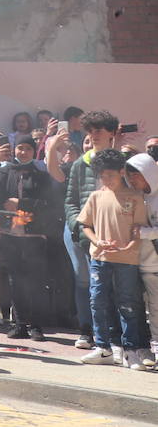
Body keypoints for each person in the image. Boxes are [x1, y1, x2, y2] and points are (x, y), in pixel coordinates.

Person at [76, 148, 147, 367]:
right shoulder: (96, 196)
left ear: (121, 171)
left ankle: (131, 349)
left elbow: (139, 229)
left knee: (128, 303)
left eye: (111, 175)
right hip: (100, 257)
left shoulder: (135, 198)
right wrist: (96, 241)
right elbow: (85, 225)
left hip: (128, 261)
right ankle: (103, 347)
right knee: (98, 301)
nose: (106, 179)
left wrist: (129, 246)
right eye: (103, 175)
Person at [0, 138, 58, 340]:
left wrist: (21, 203)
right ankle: (20, 323)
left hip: (34, 234)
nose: (23, 152)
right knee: (15, 280)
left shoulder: (41, 174)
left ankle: (36, 326)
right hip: (10, 234)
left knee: (36, 281)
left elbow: (48, 204)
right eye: (20, 148)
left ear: (34, 151)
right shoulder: (6, 171)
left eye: (28, 149)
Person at [63, 110, 121, 349]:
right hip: (81, 233)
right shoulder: (80, 163)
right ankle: (86, 331)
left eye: (99, 129)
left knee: (111, 285)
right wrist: (78, 224)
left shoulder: (120, 162)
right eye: (90, 130)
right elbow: (70, 200)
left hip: (111, 233)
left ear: (112, 133)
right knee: (83, 281)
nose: (94, 134)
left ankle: (111, 336)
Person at [123, 151, 158, 369]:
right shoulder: (133, 196)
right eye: (130, 175)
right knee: (139, 308)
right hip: (135, 262)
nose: (133, 179)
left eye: (136, 174)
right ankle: (143, 349)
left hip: (155, 264)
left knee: (156, 308)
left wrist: (144, 233)